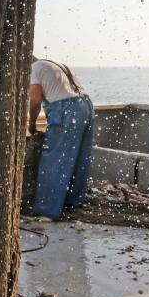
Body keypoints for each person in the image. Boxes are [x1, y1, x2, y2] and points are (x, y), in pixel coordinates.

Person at [28, 57, 95, 220]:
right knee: (78, 158)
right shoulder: (54, 64)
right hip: (85, 106)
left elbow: (35, 100)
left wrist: (31, 122)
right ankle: (72, 202)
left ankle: (46, 211)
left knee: (54, 159)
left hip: (67, 110)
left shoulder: (33, 69)